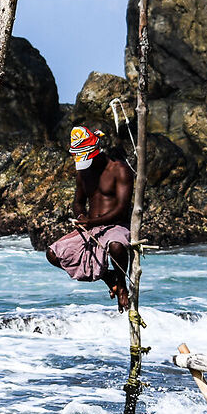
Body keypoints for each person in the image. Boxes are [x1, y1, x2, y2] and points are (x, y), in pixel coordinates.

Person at [44, 125, 134, 308]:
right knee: (53, 254)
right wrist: (80, 217)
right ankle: (109, 276)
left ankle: (122, 286)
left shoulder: (119, 170)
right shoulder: (83, 174)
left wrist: (91, 221)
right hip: (91, 226)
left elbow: (122, 209)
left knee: (116, 247)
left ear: (95, 151)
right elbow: (77, 202)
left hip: (116, 225)